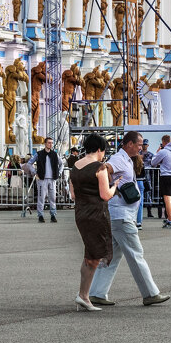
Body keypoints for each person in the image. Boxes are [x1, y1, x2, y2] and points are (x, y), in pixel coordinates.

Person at [87, 131, 170, 307]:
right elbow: (103, 169)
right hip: (121, 217)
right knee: (135, 254)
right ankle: (150, 293)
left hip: (120, 215)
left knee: (113, 256)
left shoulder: (125, 159)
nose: (141, 148)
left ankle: (97, 293)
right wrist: (109, 188)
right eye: (139, 144)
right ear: (129, 144)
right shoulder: (118, 159)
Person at [69, 132, 118, 311]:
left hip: (81, 214)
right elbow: (105, 195)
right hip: (97, 214)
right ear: (99, 149)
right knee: (94, 256)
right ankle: (83, 295)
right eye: (104, 150)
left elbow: (73, 194)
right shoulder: (100, 167)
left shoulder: (76, 166)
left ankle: (83, 296)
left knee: (90, 255)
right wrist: (115, 186)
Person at [149, 134, 171, 228]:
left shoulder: (163, 151)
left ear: (163, 142)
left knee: (167, 199)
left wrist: (157, 152)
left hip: (166, 175)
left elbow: (153, 163)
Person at [31, 137, 60, 224]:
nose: (50, 144)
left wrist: (59, 172)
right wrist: (34, 172)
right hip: (42, 179)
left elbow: (61, 164)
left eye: (51, 143)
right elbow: (29, 163)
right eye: (49, 143)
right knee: (41, 198)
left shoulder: (55, 154)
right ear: (45, 144)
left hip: (52, 179)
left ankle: (53, 214)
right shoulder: (39, 154)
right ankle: (40, 215)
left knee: (52, 198)